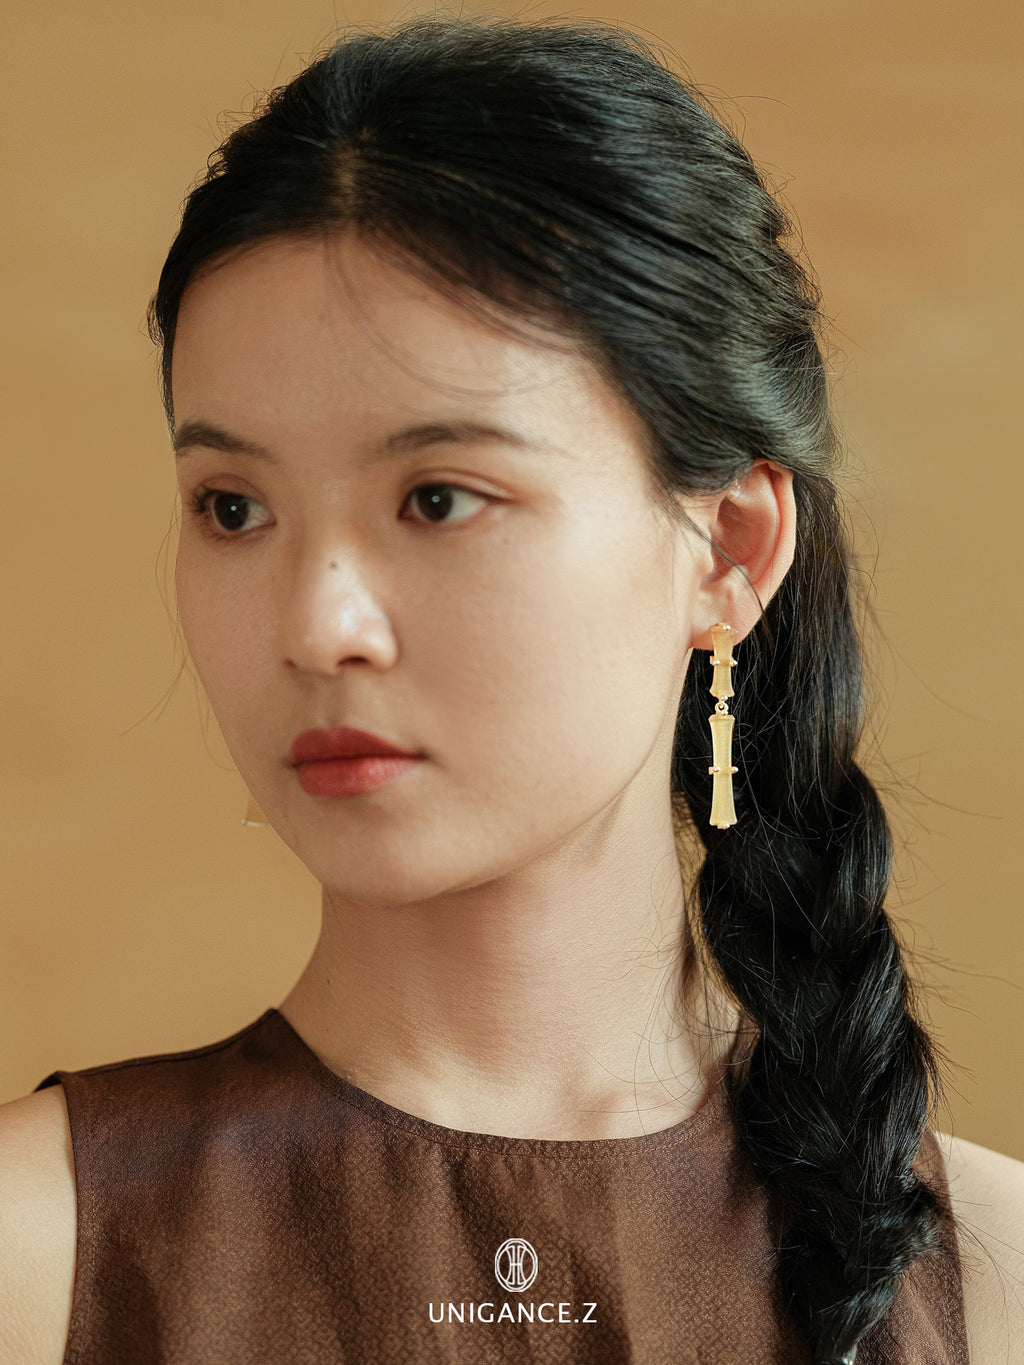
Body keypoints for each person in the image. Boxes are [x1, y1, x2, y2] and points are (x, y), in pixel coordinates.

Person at [1, 13, 1021, 1364]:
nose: (317, 623)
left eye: (438, 497)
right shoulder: (41, 1247)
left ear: (728, 549)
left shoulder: (990, 1281)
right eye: (234, 506)